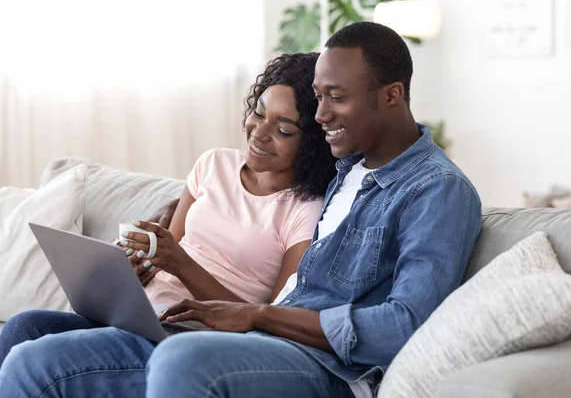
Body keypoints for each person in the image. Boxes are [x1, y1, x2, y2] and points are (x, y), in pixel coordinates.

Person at [0, 22, 482, 398]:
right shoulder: (346, 169)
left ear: (393, 95)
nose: (320, 116)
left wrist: (258, 315)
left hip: (327, 367)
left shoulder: (437, 191)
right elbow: (253, 192)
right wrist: (168, 224)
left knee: (177, 358)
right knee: (29, 339)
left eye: (336, 98)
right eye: (318, 98)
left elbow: (406, 324)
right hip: (262, 343)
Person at [0, 52, 336, 356]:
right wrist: (133, 270)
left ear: (311, 143)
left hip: (189, 336)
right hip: (138, 315)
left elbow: (272, 319)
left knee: (40, 355)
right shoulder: (213, 164)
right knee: (24, 326)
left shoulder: (304, 210)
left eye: (283, 130)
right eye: (259, 114)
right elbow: (164, 256)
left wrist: (179, 263)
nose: (259, 133)